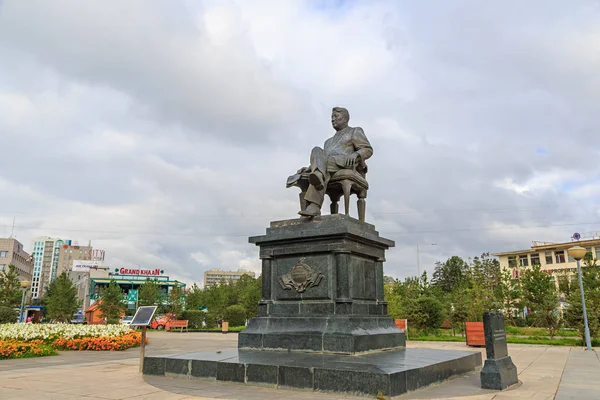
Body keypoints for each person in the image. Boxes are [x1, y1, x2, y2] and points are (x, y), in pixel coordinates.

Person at [290, 107, 373, 217]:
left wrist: (356, 154)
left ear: (345, 119)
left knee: (319, 170)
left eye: (336, 116)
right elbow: (321, 159)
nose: (332, 120)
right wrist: (309, 168)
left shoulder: (355, 131)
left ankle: (316, 191)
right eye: (331, 117)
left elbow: (368, 149)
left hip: (344, 164)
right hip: (328, 166)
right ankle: (313, 204)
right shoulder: (328, 142)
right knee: (314, 154)